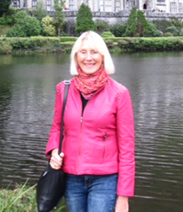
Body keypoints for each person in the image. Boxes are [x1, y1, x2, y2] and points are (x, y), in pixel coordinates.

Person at [46, 31, 135, 212]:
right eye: (83, 52)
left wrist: (124, 196)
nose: (88, 58)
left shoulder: (119, 94)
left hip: (105, 180)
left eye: (94, 52)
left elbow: (127, 147)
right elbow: (57, 128)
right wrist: (54, 151)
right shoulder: (63, 89)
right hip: (71, 178)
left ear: (103, 56)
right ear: (76, 56)